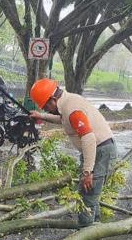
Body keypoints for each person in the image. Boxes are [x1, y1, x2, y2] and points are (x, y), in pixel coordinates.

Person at [28, 78, 116, 226]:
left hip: (100, 150)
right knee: (91, 196)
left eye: (46, 108)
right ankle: (96, 234)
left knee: (88, 197)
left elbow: (89, 139)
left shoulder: (72, 109)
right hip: (99, 149)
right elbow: (63, 119)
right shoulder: (68, 102)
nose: (47, 110)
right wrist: (41, 116)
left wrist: (87, 172)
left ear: (53, 99)